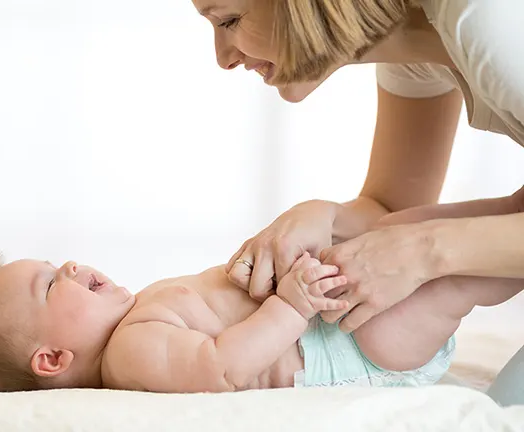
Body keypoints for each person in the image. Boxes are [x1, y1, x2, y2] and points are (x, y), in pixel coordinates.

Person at [191, 0, 524, 405]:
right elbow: (391, 206)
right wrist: (323, 214)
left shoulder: (492, 23)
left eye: (229, 20)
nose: (222, 58)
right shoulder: (415, 53)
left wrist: (426, 251)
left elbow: (408, 242)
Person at [0, 203, 522, 393]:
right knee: (456, 277)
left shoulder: (138, 317)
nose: (69, 265)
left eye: (55, 263)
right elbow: (222, 368)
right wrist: (291, 305)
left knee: (409, 229)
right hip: (353, 346)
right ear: (52, 359)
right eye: (50, 283)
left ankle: (510, 211)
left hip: (337, 314)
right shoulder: (130, 355)